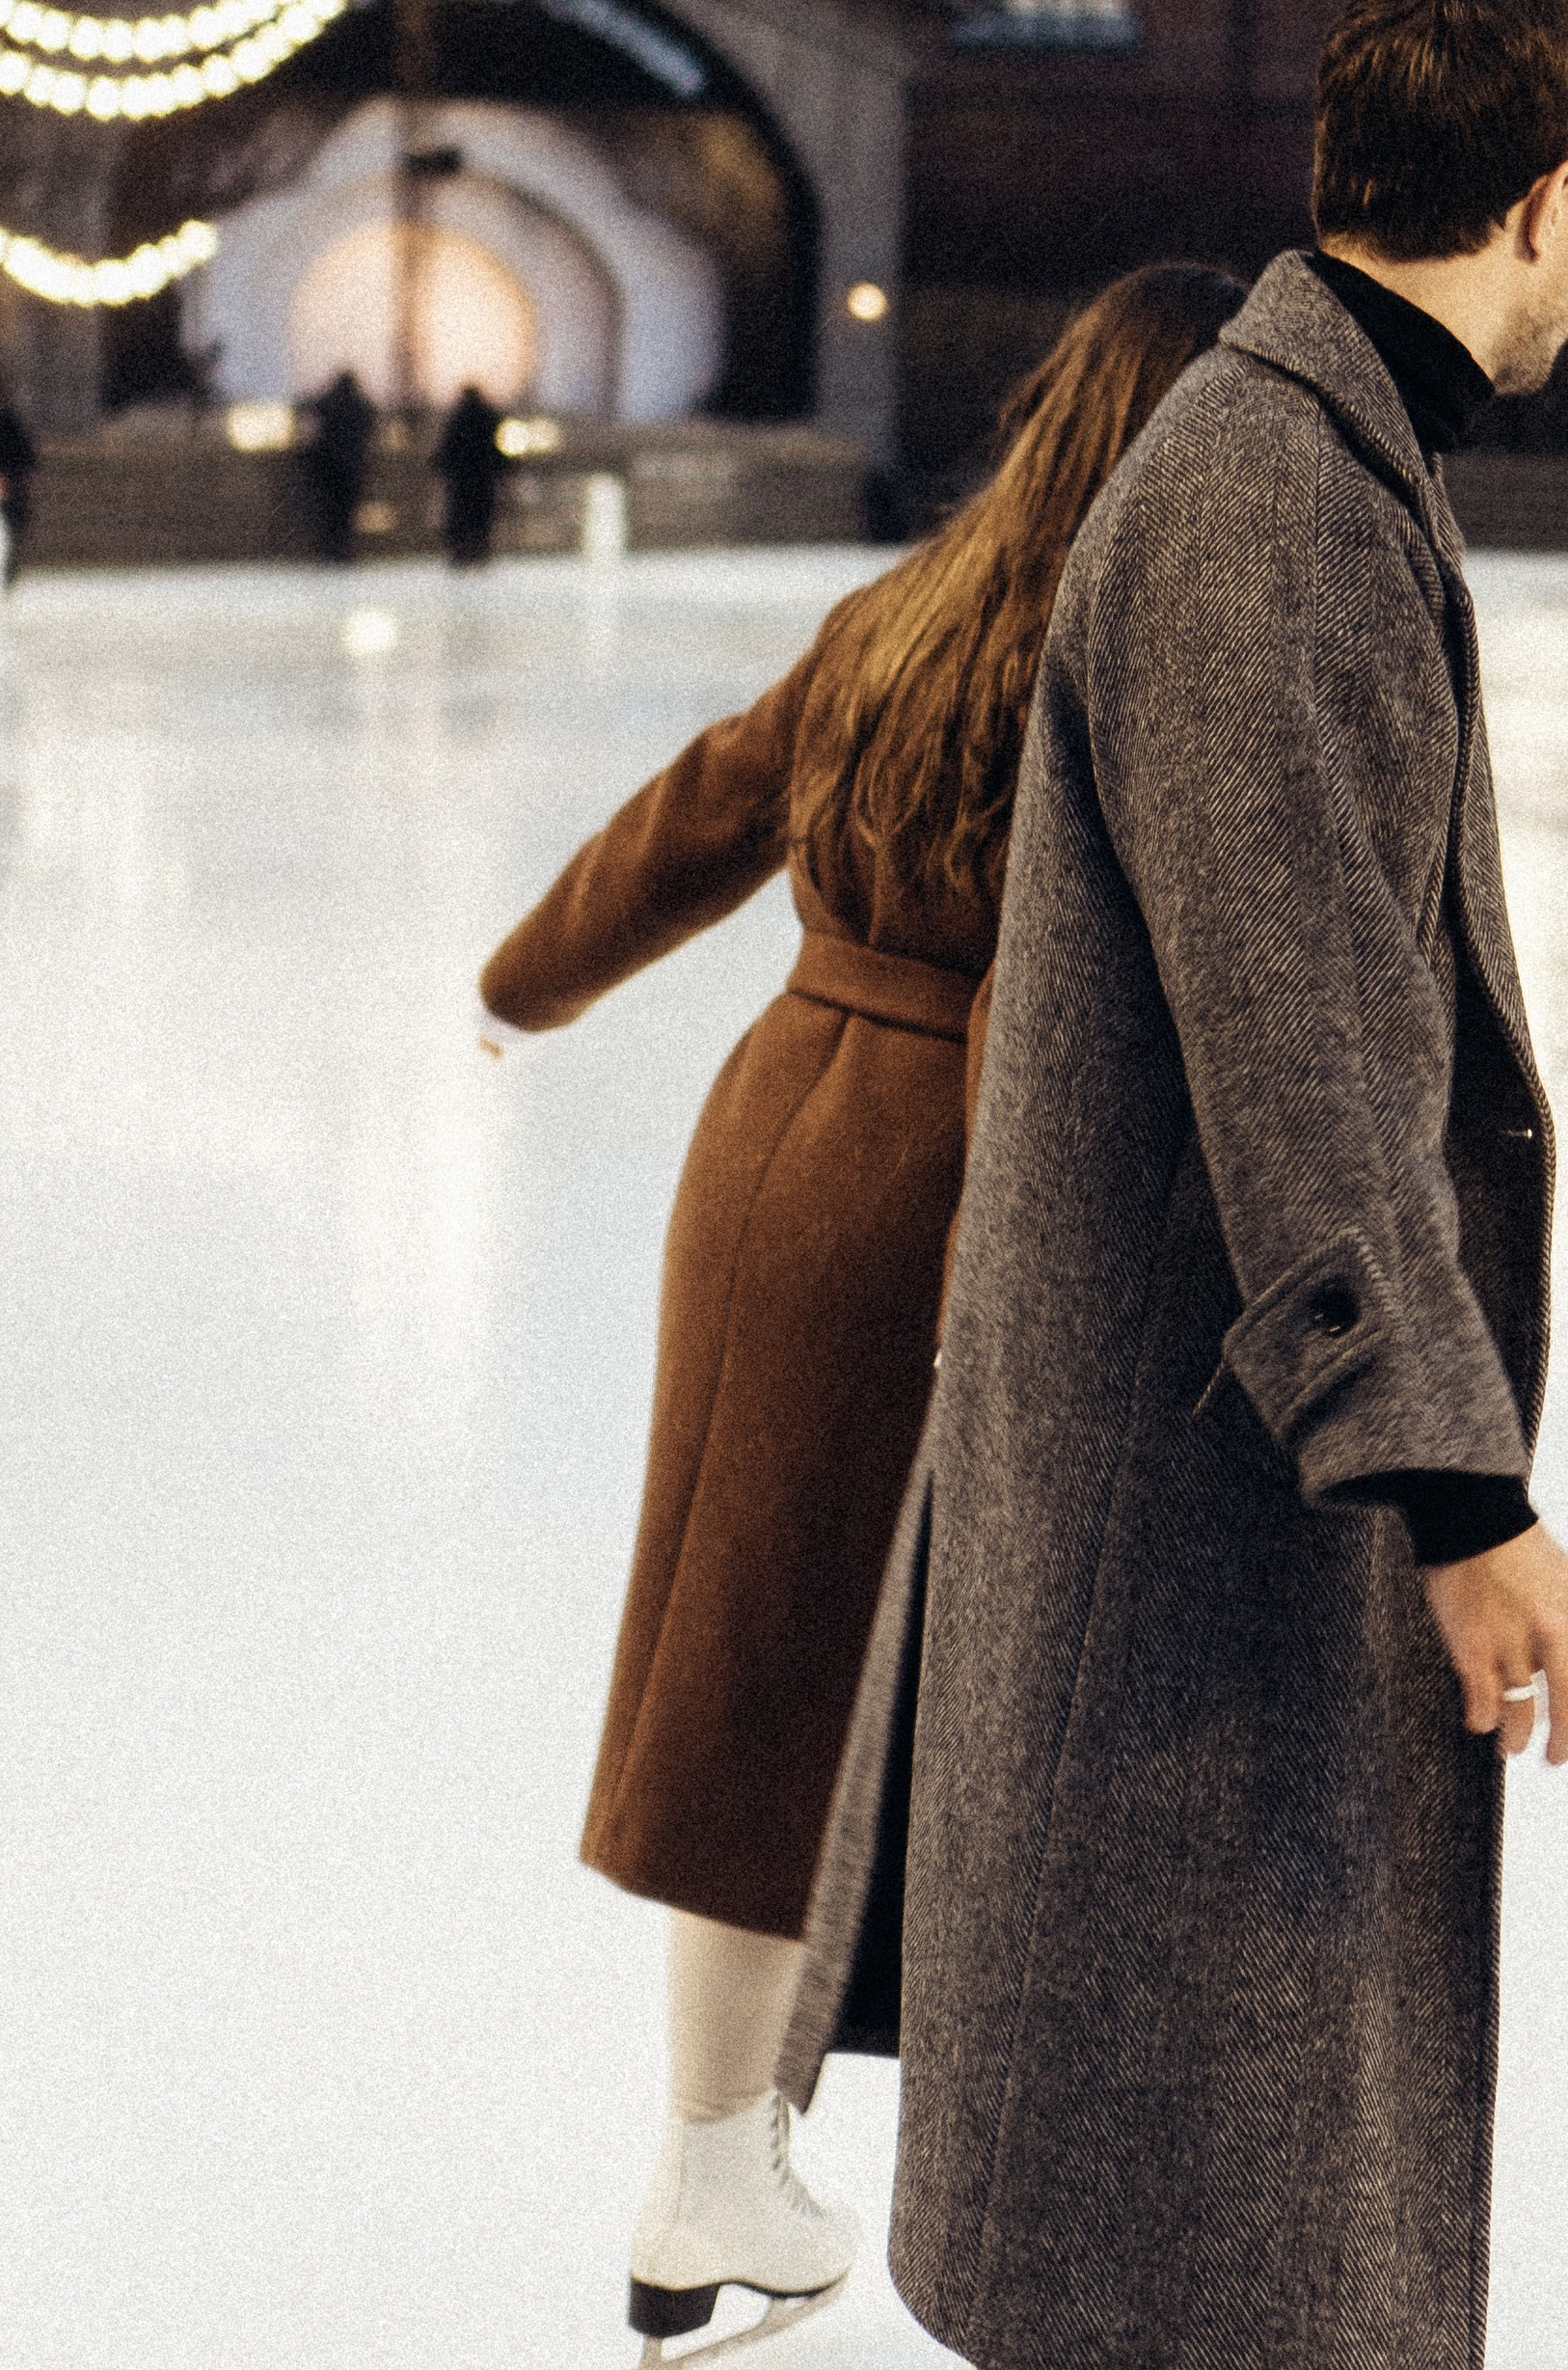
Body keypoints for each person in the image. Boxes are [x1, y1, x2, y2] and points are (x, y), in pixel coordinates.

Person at [790, 0, 1568, 2370]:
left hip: (1205, 1472)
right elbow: (1301, 1029)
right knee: (1192, 2239)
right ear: (1547, 198)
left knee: (1198, 2219)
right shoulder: (1273, 495)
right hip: (1199, 1514)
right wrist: (1455, 1493)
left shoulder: (1312, 454)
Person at [474, 263, 1241, 2355]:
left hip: (771, 1146)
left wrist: (523, 982)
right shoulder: (1122, 654)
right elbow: (1034, 1003)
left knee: (758, 1663)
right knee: (1009, 1692)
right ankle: (791, 2166)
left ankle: (715, 2151)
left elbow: (701, 810)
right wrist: (1028, 1263)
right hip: (932, 1191)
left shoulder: (903, 608)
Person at [299, 367, 375, 563]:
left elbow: (310, 410)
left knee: (328, 510)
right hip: (353, 466)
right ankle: (343, 549)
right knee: (346, 512)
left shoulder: (328, 401)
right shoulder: (361, 404)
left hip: (327, 465)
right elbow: (370, 422)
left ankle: (328, 550)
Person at [433, 380, 505, 567]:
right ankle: (479, 549)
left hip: (461, 477)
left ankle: (461, 552)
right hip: (483, 476)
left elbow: (448, 446)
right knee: (481, 515)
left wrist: (440, 464)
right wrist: (503, 467)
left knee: (460, 514)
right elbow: (497, 447)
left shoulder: (458, 417)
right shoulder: (489, 417)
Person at [0, 392, 36, 586]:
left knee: (10, 530)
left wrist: (8, 478)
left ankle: (9, 567)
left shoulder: (10, 424)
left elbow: (27, 458)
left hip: (11, 488)